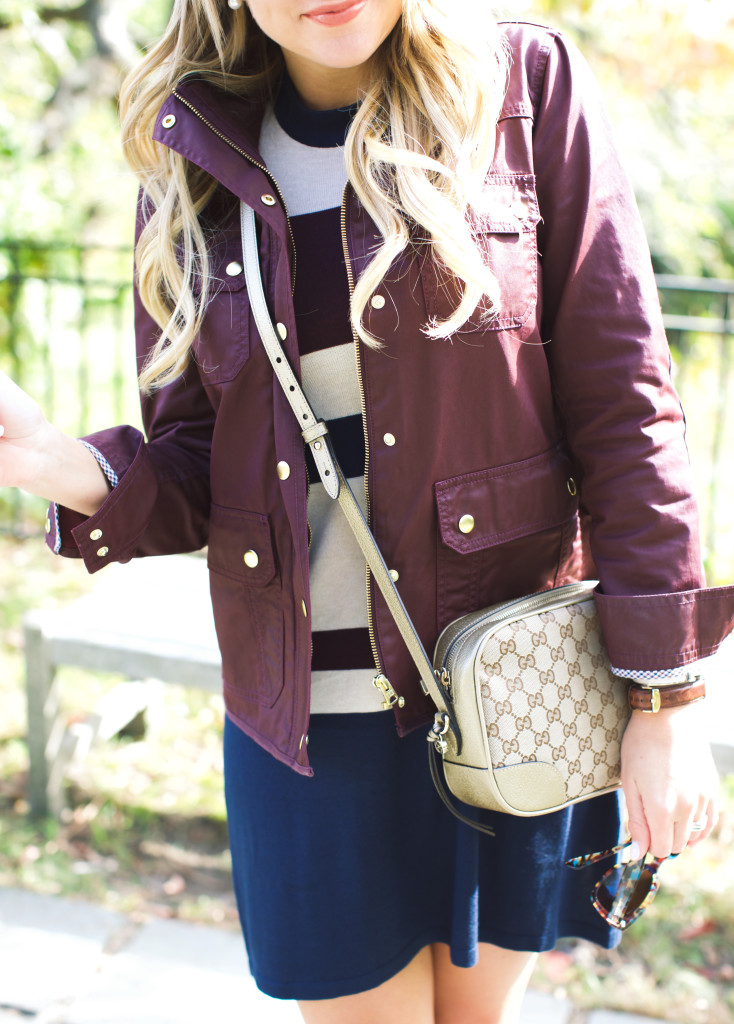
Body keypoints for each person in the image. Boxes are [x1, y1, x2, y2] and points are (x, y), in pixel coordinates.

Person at [1, 2, 732, 1022]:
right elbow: (206, 472)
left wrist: (666, 700)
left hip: (506, 694)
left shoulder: (521, 86)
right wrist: (55, 462)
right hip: (307, 727)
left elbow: (627, 405)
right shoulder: (193, 153)